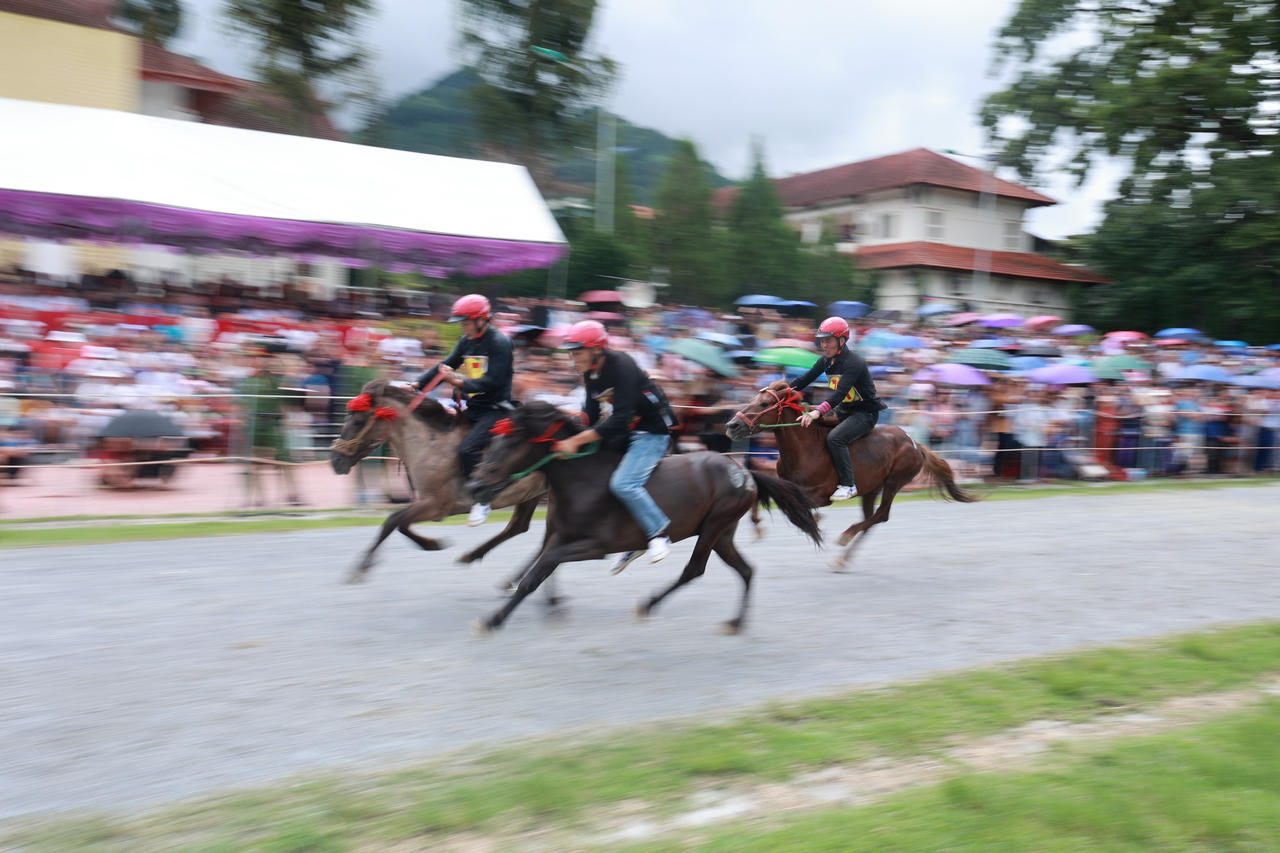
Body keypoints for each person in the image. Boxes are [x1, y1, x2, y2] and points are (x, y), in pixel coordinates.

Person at [551, 319, 678, 574]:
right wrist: (566, 422)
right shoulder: (590, 372)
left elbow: (618, 419)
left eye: (577, 352)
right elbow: (591, 412)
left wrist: (576, 440)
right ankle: (626, 536)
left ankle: (659, 534)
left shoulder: (622, 365)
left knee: (624, 484)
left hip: (651, 432)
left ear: (596, 350)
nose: (573, 358)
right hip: (624, 431)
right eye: (571, 353)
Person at [412, 294, 513, 525]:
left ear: (481, 320)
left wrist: (460, 383)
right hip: (474, 408)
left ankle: (483, 500)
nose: (462, 327)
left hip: (496, 410)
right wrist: (417, 385)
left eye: (465, 322)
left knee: (467, 450)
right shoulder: (466, 341)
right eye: (461, 323)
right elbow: (445, 367)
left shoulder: (500, 342)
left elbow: (494, 381)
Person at [793, 316, 886, 500]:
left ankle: (848, 485)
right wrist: (780, 392)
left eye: (828, 340)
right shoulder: (825, 361)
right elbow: (804, 380)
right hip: (844, 413)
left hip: (864, 414)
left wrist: (817, 411)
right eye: (822, 341)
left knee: (835, 439)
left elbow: (839, 395)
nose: (823, 345)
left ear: (841, 341)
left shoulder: (855, 363)